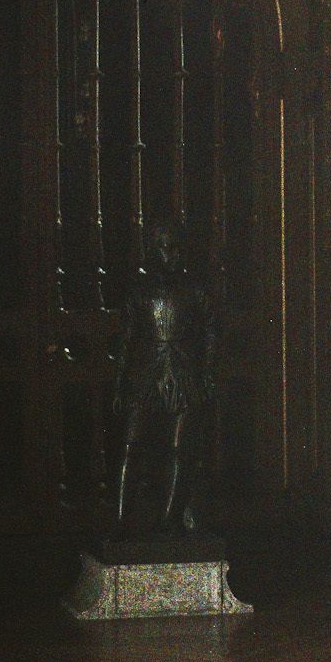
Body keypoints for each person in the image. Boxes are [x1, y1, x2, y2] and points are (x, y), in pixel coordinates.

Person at [111, 221, 216, 535]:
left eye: (177, 249)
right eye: (166, 248)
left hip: (183, 373)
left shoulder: (195, 291)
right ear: (152, 250)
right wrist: (121, 383)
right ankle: (121, 521)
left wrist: (206, 374)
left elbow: (210, 333)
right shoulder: (139, 291)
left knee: (179, 449)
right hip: (147, 372)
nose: (173, 256)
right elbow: (127, 340)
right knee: (131, 445)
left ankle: (170, 520)